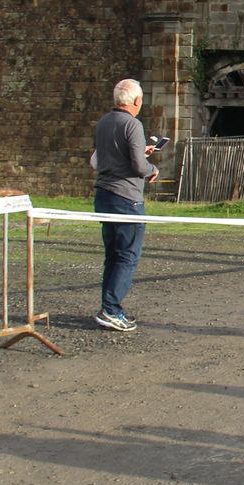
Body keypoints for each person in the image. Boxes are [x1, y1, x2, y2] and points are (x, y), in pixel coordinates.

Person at [93, 78, 159, 331]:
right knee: (128, 255)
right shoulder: (133, 124)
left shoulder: (103, 122)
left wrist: (140, 153)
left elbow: (100, 159)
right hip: (126, 198)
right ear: (137, 100)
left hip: (104, 195)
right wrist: (152, 168)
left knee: (113, 255)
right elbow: (139, 166)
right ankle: (110, 309)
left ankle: (109, 307)